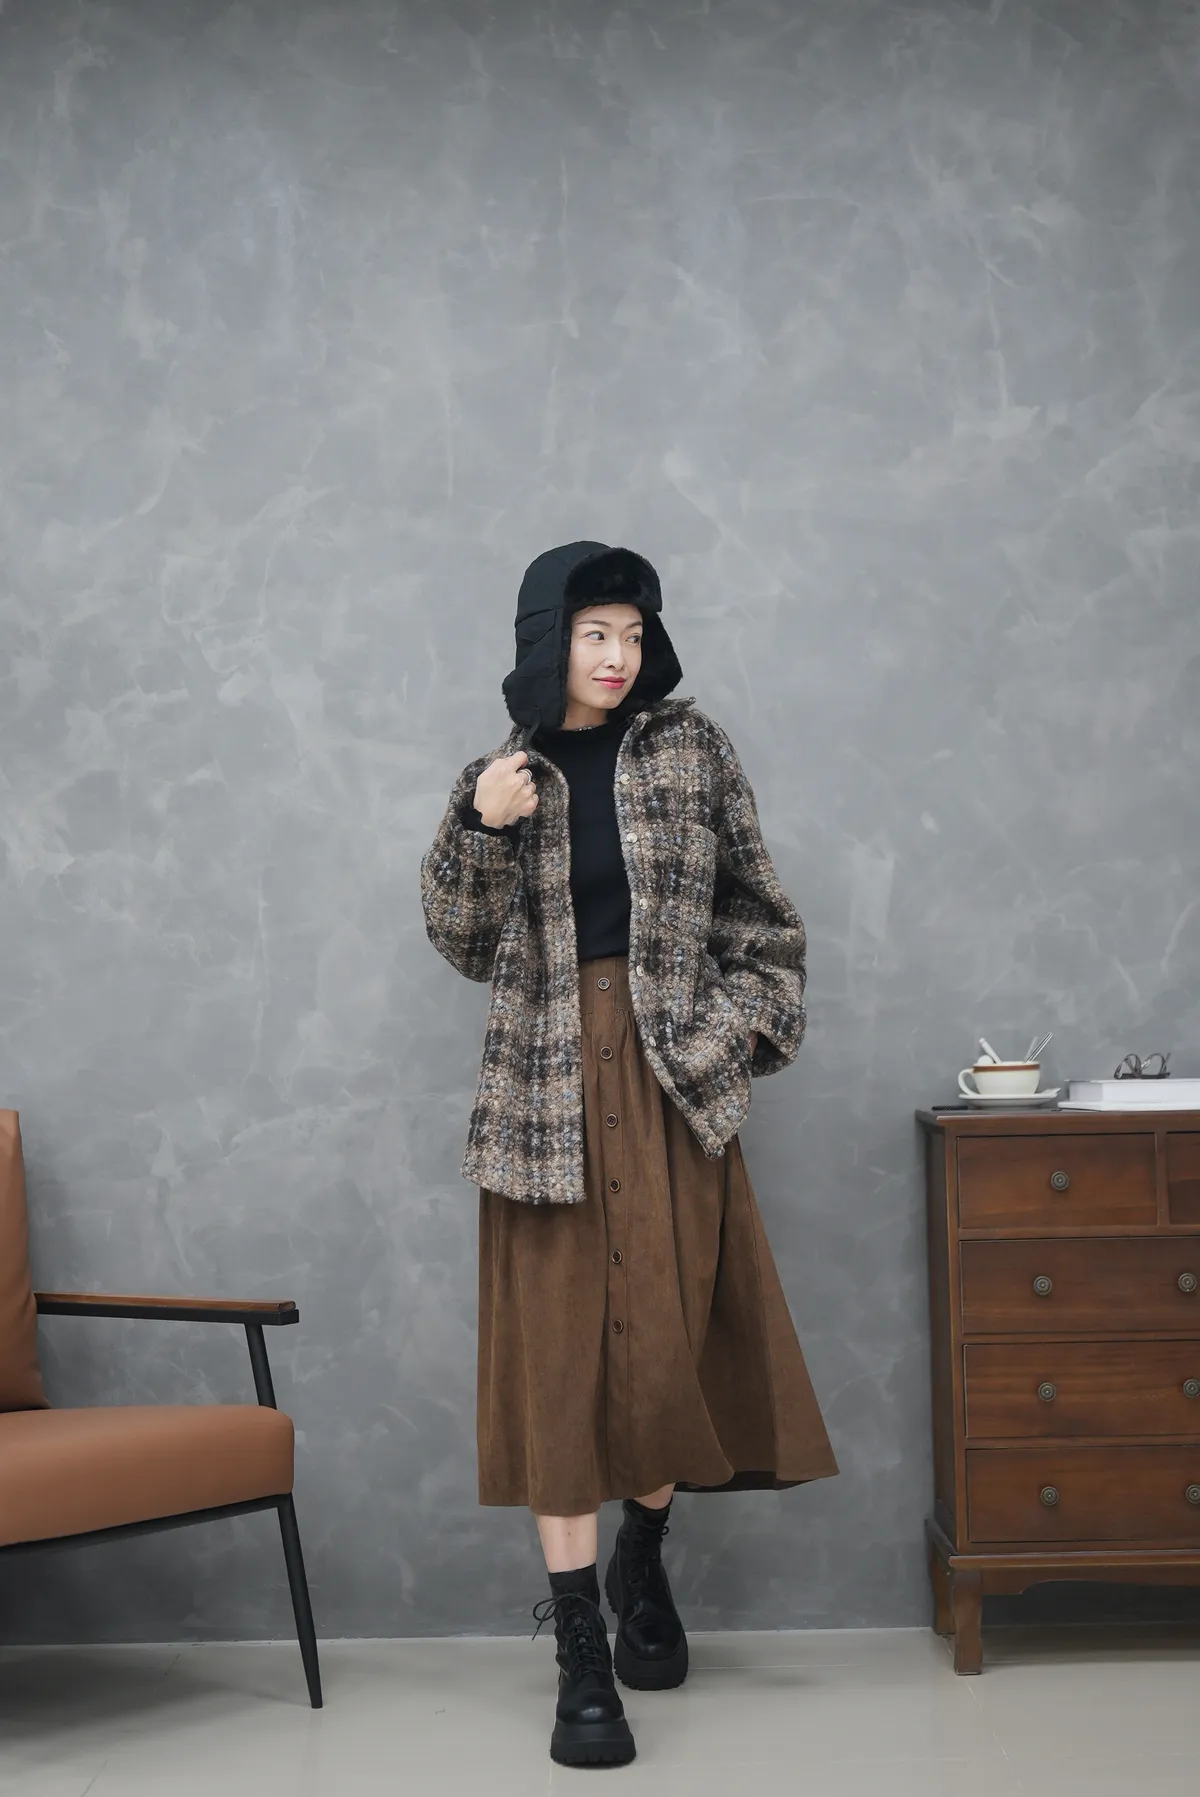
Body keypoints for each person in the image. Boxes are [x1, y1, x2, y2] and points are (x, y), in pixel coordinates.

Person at [420, 542, 837, 1769]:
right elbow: (459, 940)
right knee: (561, 1369)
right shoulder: (500, 778)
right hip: (544, 1096)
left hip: (670, 1085)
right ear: (548, 640)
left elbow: (763, 920)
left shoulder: (691, 752)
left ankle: (642, 1556)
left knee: (664, 1345)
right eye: (595, 632)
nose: (617, 656)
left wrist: (733, 1032)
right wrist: (481, 829)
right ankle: (580, 1653)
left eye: (634, 634)